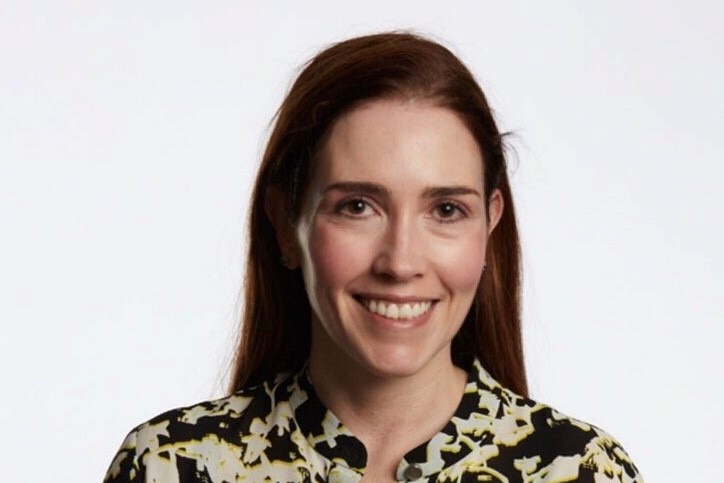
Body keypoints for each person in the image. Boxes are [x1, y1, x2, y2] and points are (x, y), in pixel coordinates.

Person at [104, 32, 642, 482]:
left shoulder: (580, 470)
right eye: (358, 206)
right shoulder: (172, 465)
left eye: (447, 209)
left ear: (490, 225)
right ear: (285, 225)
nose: (401, 261)